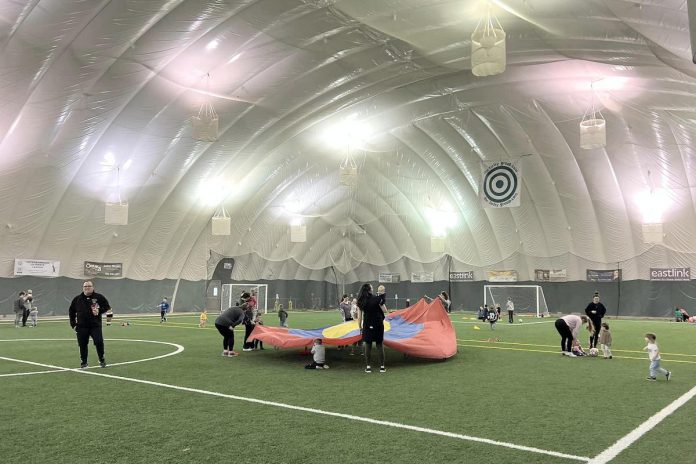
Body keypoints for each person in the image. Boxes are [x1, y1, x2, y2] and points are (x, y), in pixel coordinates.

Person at [68, 281, 111, 368]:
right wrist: (73, 324)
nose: (87, 288)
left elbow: (107, 308)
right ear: (82, 287)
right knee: (82, 344)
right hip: (81, 327)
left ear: (93, 287)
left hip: (95, 326)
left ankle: (101, 359)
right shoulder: (77, 299)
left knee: (99, 342)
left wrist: (100, 311)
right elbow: (71, 311)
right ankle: (84, 362)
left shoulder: (99, 297)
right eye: (85, 286)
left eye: (89, 286)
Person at [357, 283, 387, 373]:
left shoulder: (360, 301)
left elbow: (359, 317)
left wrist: (359, 327)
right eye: (372, 288)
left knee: (368, 345)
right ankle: (382, 367)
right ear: (370, 290)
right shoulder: (377, 299)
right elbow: (385, 310)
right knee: (379, 345)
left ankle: (368, 367)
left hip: (367, 324)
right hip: (378, 324)